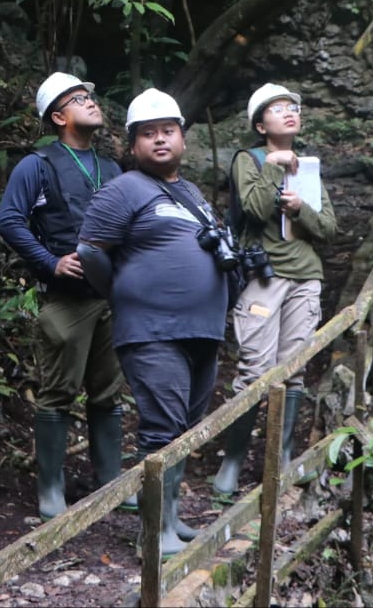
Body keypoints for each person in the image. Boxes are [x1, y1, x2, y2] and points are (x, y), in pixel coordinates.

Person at [76, 88, 230, 557]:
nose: (160, 139)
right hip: (152, 330)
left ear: (183, 138)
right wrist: (125, 292)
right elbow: (90, 251)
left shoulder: (193, 193)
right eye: (148, 134)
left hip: (202, 328)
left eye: (168, 131)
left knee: (185, 428)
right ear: (133, 144)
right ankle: (153, 532)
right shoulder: (124, 189)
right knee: (162, 428)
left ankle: (170, 516)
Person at [0, 71, 130, 519]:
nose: (90, 102)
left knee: (108, 392)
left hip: (110, 297)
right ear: (58, 117)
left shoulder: (111, 167)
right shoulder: (38, 164)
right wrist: (50, 261)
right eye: (77, 99)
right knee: (58, 392)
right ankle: (50, 489)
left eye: (90, 96)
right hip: (66, 299)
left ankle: (110, 480)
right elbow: (9, 219)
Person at [211, 84, 337, 496]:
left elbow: (329, 228)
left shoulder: (308, 167)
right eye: (277, 108)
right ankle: (232, 462)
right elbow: (253, 207)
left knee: (294, 372)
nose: (288, 112)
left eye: (293, 107)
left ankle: (280, 459)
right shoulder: (248, 160)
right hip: (264, 277)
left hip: (306, 277)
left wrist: (301, 209)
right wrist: (273, 166)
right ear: (260, 125)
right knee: (254, 371)